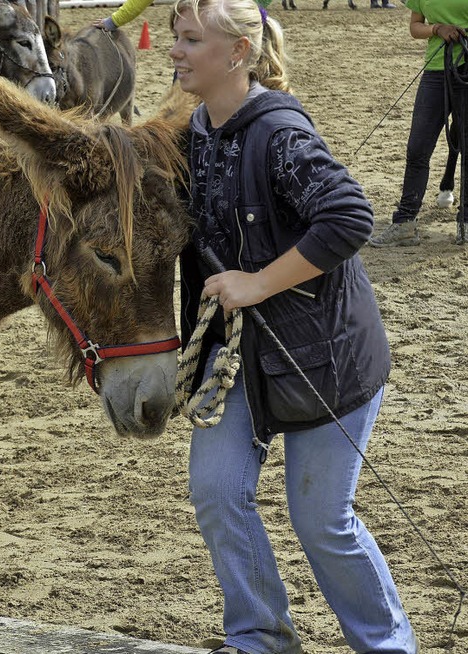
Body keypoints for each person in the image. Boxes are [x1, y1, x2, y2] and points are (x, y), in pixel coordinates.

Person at [170, 0, 418, 652]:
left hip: (328, 359)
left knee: (321, 521)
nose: (174, 51)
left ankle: (388, 645)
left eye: (191, 40)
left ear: (237, 55)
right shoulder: (190, 133)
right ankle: (261, 639)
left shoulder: (280, 135)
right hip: (239, 363)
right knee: (217, 493)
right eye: (175, 37)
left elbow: (348, 217)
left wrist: (255, 284)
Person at [369, 0, 468, 247]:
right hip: (435, 71)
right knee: (417, 148)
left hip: (466, 66)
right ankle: (405, 222)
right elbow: (415, 27)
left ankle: (465, 220)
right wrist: (437, 29)